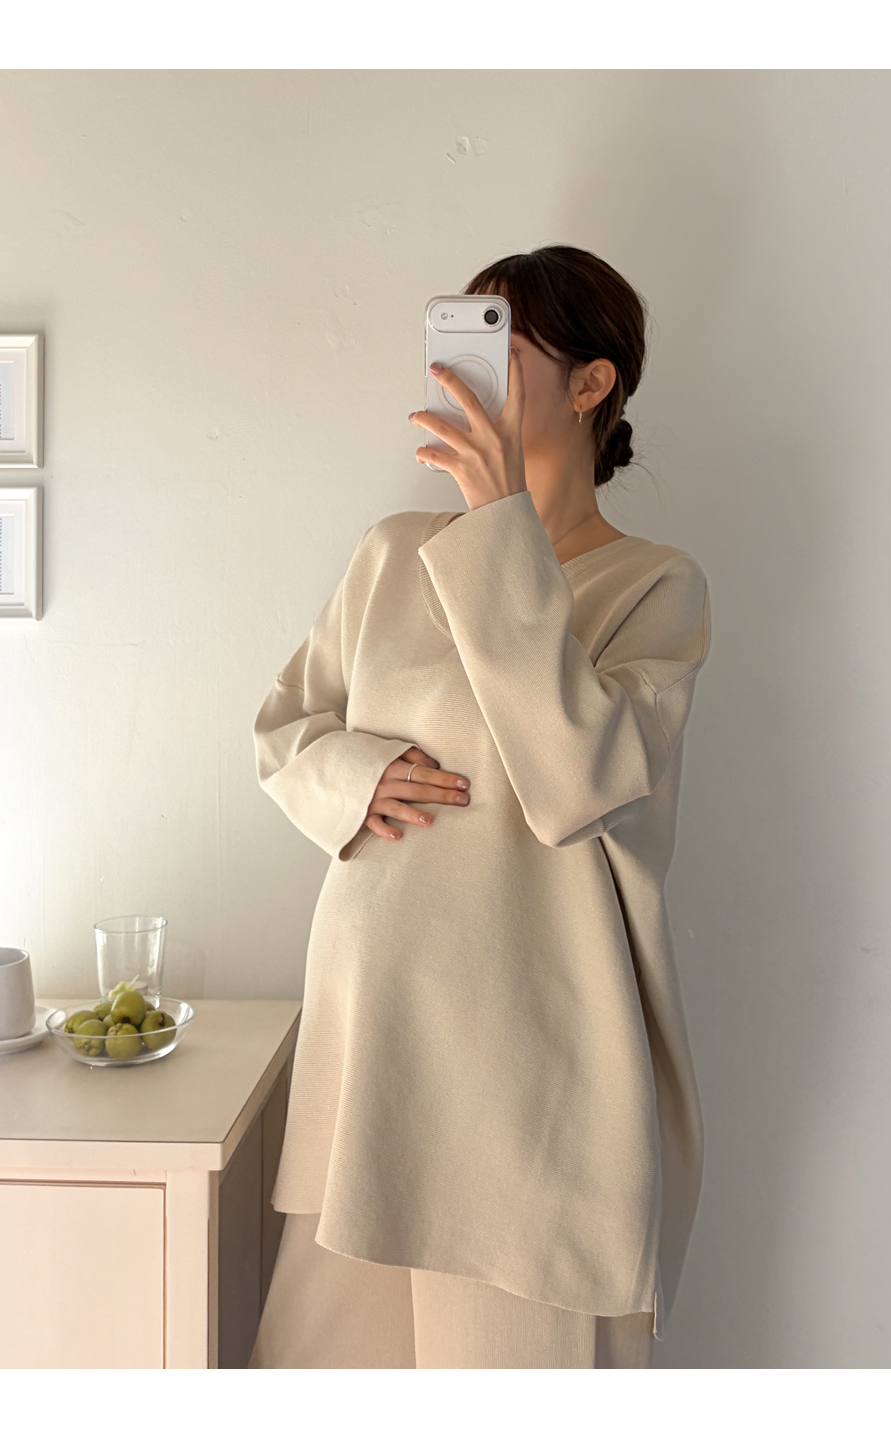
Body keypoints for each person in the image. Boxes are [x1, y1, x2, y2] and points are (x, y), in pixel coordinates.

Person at [249, 245, 712, 1369]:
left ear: (592, 383)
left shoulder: (654, 585)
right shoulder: (393, 552)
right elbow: (284, 729)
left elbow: (582, 781)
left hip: (525, 1078)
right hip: (371, 1051)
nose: (470, 368)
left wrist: (503, 520)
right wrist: (354, 774)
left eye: (505, 341)